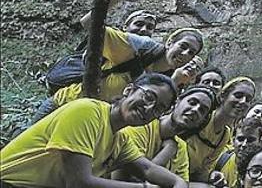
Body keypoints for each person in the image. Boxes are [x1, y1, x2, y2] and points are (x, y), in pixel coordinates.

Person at [1, 73, 186, 187]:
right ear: (129, 90)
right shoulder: (88, 112)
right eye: (147, 97)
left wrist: (178, 183)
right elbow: (79, 183)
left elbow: (147, 168)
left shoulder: (119, 139)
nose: (148, 108)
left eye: (158, 108)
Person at [34, 27, 204, 123]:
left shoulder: (170, 79)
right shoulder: (137, 50)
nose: (185, 53)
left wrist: (176, 81)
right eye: (183, 46)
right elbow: (91, 25)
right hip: (64, 103)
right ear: (170, 42)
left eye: (191, 52)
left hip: (90, 121)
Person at [114, 85, 217, 180]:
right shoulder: (141, 125)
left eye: (202, 110)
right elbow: (130, 177)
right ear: (178, 101)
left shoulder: (181, 147)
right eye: (192, 102)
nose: (195, 110)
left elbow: (182, 183)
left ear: (201, 122)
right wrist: (168, 151)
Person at [187, 76, 257, 183]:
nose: (243, 101)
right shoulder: (201, 117)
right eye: (238, 95)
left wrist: (212, 176)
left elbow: (201, 171)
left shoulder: (224, 136)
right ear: (223, 96)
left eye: (248, 99)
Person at [215, 116, 262, 188]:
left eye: (250, 140)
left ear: (260, 142)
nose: (244, 144)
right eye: (240, 139)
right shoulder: (220, 159)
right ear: (233, 140)